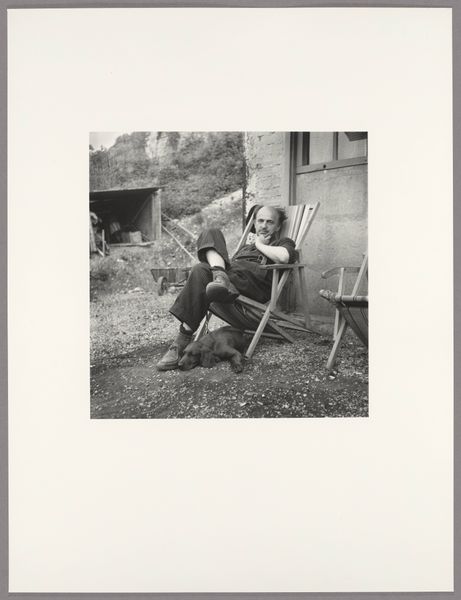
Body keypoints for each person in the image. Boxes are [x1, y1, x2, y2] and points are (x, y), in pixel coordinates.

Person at [156, 205, 297, 371]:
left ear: (278, 227)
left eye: (270, 222)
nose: (264, 226)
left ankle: (181, 341)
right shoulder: (245, 247)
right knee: (205, 250)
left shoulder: (282, 242)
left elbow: (284, 257)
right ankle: (220, 277)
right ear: (255, 223)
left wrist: (259, 243)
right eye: (260, 221)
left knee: (202, 272)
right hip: (231, 280)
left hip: (252, 284)